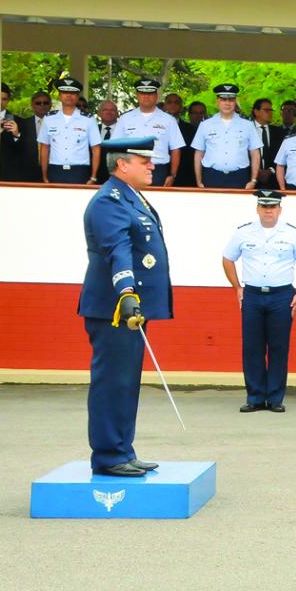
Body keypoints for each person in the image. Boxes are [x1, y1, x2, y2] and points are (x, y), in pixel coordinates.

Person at [78, 135, 174, 477]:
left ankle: (122, 449)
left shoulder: (130, 198)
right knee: (111, 381)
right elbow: (117, 249)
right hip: (116, 308)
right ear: (122, 164)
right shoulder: (109, 202)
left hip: (130, 308)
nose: (152, 165)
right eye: (143, 160)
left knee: (126, 381)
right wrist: (127, 293)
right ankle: (107, 455)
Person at [222, 190, 296, 413]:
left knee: (278, 348)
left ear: (279, 209)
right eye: (264, 206)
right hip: (252, 295)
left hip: (281, 296)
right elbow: (227, 259)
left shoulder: (293, 234)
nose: (268, 211)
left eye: (272, 207)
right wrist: (237, 288)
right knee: (252, 348)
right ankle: (254, 397)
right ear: (257, 209)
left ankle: (274, 398)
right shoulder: (244, 233)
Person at [115, 77, 186, 187]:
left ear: (156, 96)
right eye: (142, 93)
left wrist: (172, 175)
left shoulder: (168, 120)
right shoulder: (125, 119)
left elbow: (176, 150)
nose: (146, 97)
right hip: (131, 170)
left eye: (150, 93)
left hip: (159, 171)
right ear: (137, 95)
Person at [193, 84, 261, 189]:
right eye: (223, 99)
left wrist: (253, 180)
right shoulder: (205, 125)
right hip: (212, 176)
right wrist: (199, 181)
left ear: (235, 102)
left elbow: (255, 154)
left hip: (240, 176)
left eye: (231, 100)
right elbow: (198, 154)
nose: (227, 103)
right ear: (217, 102)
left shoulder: (247, 125)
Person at [37, 76, 101, 184]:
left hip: (80, 171)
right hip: (55, 170)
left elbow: (96, 149)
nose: (68, 95)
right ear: (59, 95)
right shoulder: (49, 118)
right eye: (64, 92)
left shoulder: (88, 119)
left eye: (73, 93)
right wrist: (44, 176)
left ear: (77, 96)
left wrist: (93, 177)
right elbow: (44, 148)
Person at [0, 83, 41, 182]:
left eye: (4, 99)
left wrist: (17, 135)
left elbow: (26, 151)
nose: (0, 102)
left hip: (9, 174)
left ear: (8, 100)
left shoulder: (20, 122)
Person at [249, 98, 284, 189]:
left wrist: (270, 170)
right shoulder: (246, 129)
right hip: (249, 179)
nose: (270, 113)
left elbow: (282, 155)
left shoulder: (279, 132)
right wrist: (257, 171)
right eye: (266, 110)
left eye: (271, 110)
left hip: (273, 180)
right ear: (256, 112)